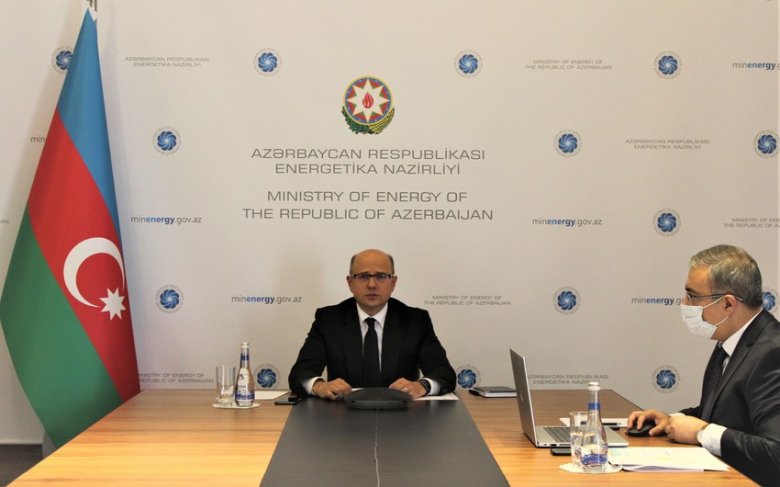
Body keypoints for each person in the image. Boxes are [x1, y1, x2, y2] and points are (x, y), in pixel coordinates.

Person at [628, 244, 780, 485]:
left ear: (728, 304)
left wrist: (702, 432)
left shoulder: (772, 352)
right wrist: (672, 420)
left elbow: (775, 451)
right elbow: (728, 413)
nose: (684, 303)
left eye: (692, 296)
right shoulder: (733, 340)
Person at [288, 249, 456, 400]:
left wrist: (422, 386)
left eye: (381, 276)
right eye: (363, 277)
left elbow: (444, 373)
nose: (372, 285)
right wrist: (319, 386)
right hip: (343, 414)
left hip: (402, 414)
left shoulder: (415, 320)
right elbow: (300, 373)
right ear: (350, 282)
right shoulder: (329, 320)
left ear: (393, 282)